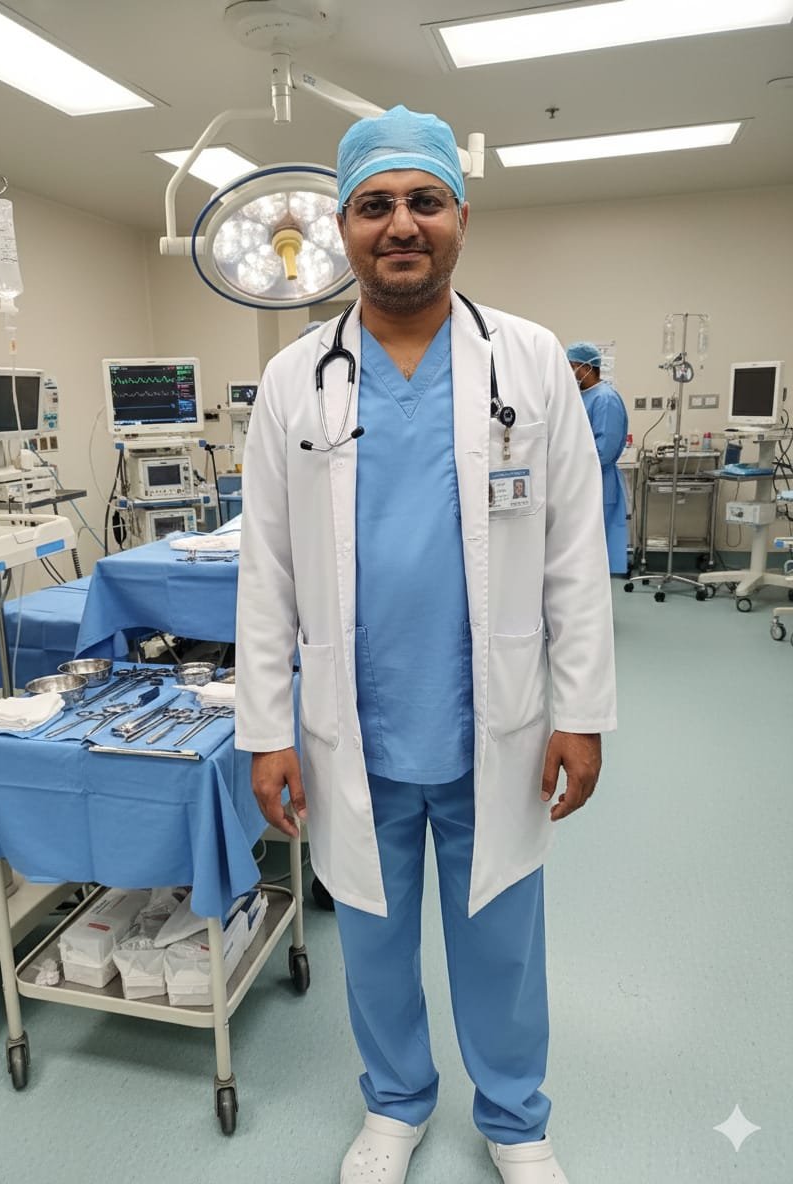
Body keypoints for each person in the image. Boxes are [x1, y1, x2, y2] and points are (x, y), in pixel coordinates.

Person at [236, 105, 616, 1184]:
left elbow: (574, 553)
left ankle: (515, 1118)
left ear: (460, 217)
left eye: (424, 201)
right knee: (371, 932)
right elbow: (266, 569)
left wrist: (583, 710)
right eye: (374, 205)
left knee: (501, 932)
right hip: (352, 724)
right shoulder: (295, 380)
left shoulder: (529, 362)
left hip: (493, 716)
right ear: (344, 229)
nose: (400, 224)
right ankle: (394, 1104)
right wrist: (266, 727)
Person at [565, 342, 629, 574]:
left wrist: (575, 469)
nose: (568, 372)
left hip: (597, 481)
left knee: (596, 551)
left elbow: (605, 449)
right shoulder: (582, 396)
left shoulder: (605, 399)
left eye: (571, 366)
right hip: (582, 480)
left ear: (585, 368)